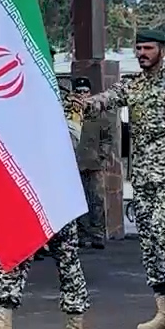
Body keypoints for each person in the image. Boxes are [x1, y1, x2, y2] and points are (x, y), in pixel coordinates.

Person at [76, 27, 165, 329]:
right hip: (145, 174)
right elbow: (109, 98)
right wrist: (88, 103)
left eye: (148, 48)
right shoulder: (132, 86)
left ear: (163, 50)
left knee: (163, 227)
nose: (142, 54)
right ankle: (161, 309)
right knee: (148, 241)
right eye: (138, 49)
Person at [0, 97, 91, 329]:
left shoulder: (65, 101)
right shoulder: (15, 98)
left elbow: (70, 142)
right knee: (14, 254)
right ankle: (2, 328)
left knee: (67, 260)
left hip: (57, 194)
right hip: (25, 190)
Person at [71, 76, 114, 249]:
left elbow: (108, 138)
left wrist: (102, 155)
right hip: (74, 164)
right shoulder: (68, 114)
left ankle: (97, 234)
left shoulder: (98, 114)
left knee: (96, 200)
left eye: (86, 91)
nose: (83, 95)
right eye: (79, 92)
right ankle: (83, 234)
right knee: (79, 201)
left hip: (94, 164)